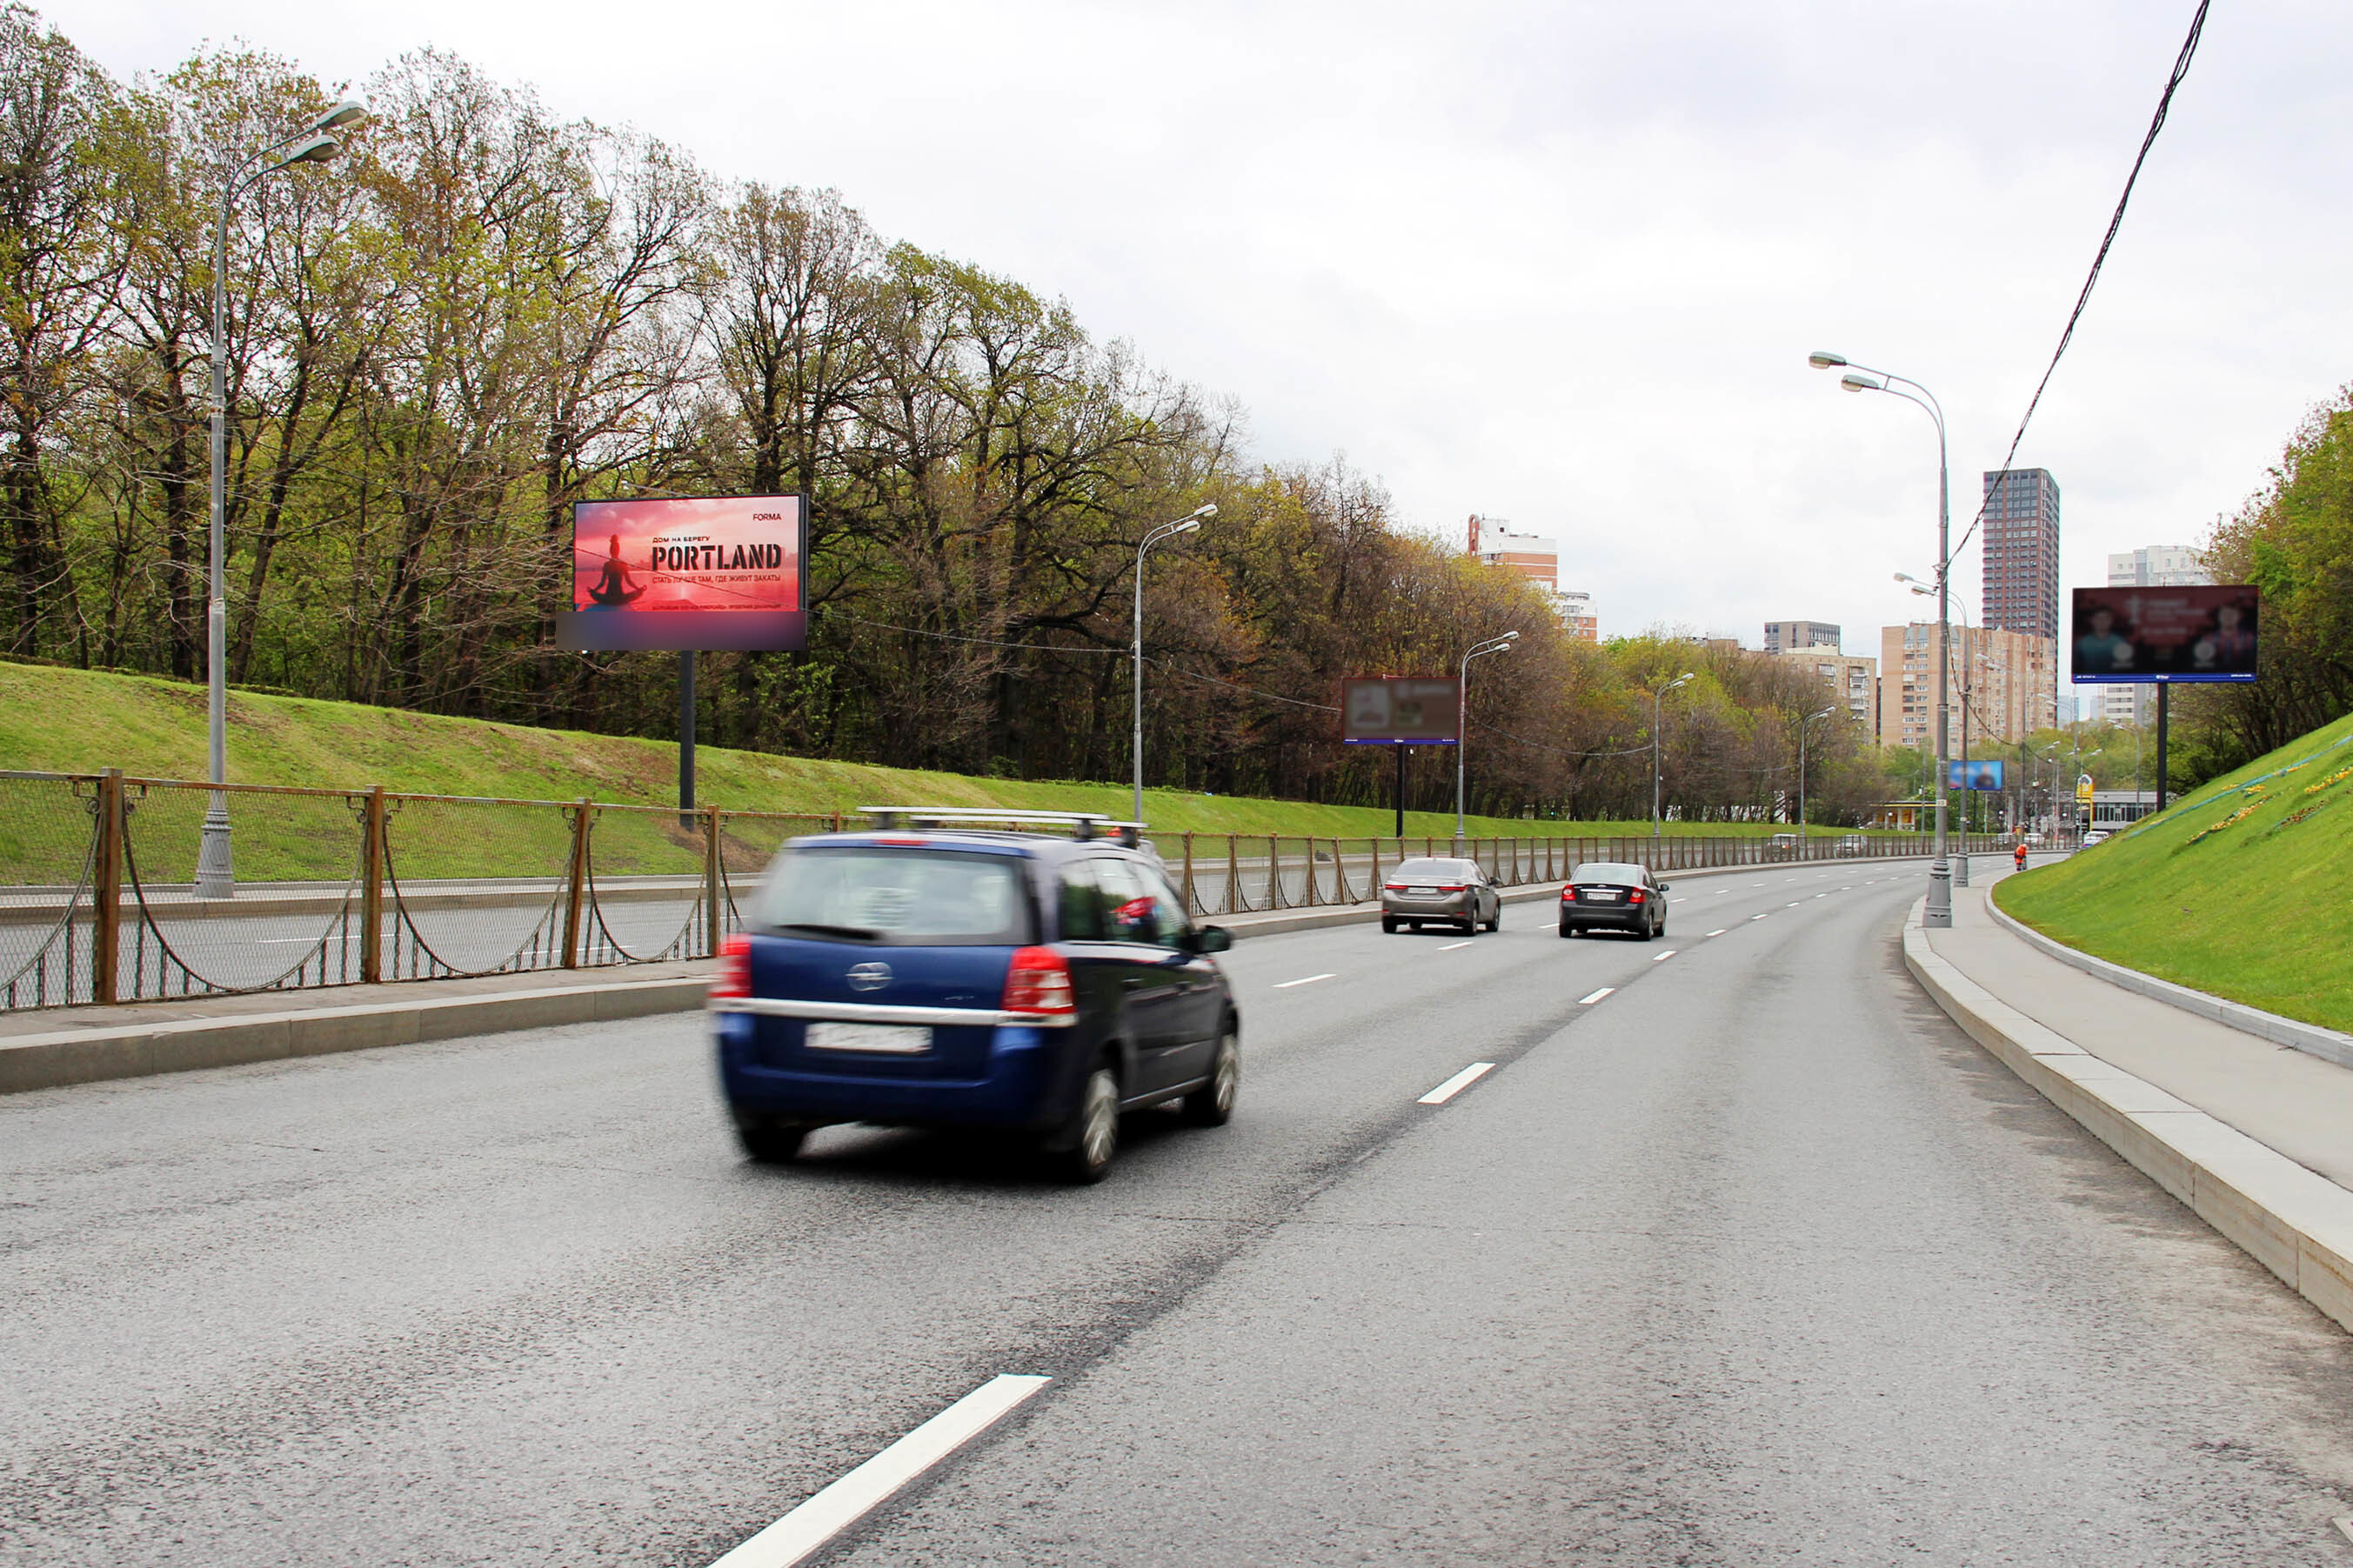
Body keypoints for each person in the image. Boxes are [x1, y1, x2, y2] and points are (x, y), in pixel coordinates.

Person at [583, 533, 645, 607]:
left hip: (609, 596)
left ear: (610, 551)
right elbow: (629, 581)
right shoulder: (623, 564)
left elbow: (602, 583)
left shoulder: (607, 565)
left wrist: (594, 591)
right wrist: (638, 589)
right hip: (620, 596)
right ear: (618, 551)